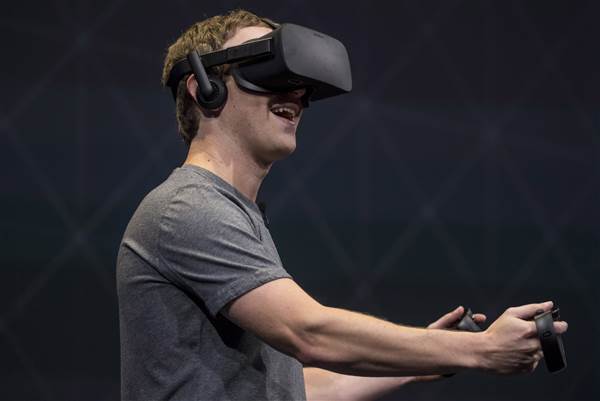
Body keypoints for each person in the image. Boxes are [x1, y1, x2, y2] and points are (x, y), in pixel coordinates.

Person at [116, 9, 568, 401]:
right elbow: (309, 333)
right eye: (268, 70)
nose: (296, 94)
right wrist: (482, 349)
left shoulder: (236, 216)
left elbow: (297, 387)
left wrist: (420, 360)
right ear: (204, 88)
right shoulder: (188, 208)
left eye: (301, 86)